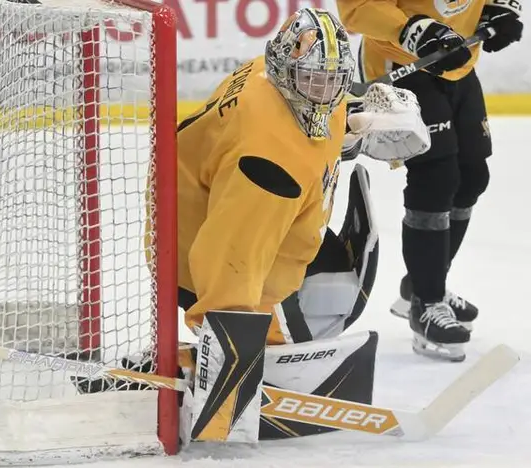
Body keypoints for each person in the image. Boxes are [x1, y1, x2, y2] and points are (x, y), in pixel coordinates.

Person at [75, 7, 430, 442]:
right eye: (314, 81)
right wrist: (230, 355)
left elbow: (309, 118)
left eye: (335, 82)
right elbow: (231, 257)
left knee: (327, 274)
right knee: (319, 314)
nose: (324, 94)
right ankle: (182, 370)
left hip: (200, 211)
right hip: (203, 251)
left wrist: (354, 124)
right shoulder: (268, 164)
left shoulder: (271, 74)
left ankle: (200, 357)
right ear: (287, 67)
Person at [336, 0, 523, 362]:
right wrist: (412, 30)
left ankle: (421, 284)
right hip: (403, 64)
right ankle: (427, 300)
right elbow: (358, 7)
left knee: (472, 176)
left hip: (458, 58)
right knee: (436, 178)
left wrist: (498, 6)